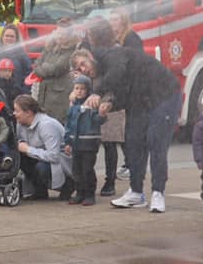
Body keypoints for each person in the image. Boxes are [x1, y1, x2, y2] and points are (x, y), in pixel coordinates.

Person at [71, 46, 181, 213]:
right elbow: (123, 91)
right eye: (79, 69)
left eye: (83, 64)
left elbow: (117, 72)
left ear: (90, 56)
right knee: (134, 142)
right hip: (140, 102)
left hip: (164, 96)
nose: (83, 70)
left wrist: (98, 93)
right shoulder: (102, 75)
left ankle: (158, 192)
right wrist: (110, 105)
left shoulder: (112, 55)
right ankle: (136, 192)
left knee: (156, 142)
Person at [103, 9, 141, 192]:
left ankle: (133, 170)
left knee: (125, 135)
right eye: (110, 19)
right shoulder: (111, 41)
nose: (112, 22)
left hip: (128, 94)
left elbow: (134, 65)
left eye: (115, 18)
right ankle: (115, 176)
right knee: (113, 136)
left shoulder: (131, 38)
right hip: (115, 93)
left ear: (123, 20)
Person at [14, 95, 73, 200]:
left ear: (28, 112)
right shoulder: (20, 124)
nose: (14, 114)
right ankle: (40, 191)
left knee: (41, 167)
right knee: (18, 158)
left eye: (17, 111)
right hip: (42, 157)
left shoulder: (47, 125)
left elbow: (54, 156)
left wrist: (28, 149)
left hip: (64, 162)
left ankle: (68, 185)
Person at [63, 75, 105, 206]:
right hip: (76, 144)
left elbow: (98, 120)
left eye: (82, 89)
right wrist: (67, 142)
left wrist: (102, 115)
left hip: (89, 144)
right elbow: (68, 125)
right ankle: (79, 193)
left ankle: (89, 194)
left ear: (88, 91)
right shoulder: (73, 107)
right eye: (76, 88)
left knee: (87, 169)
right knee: (76, 170)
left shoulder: (92, 105)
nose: (79, 91)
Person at [30, 18, 79, 123]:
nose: (60, 36)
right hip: (44, 97)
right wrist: (42, 67)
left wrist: (42, 67)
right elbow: (36, 64)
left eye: (64, 34)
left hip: (59, 100)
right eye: (58, 33)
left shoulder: (71, 50)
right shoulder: (50, 47)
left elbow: (56, 68)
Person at [0, 24, 33, 93]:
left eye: (12, 36)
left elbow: (29, 74)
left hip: (17, 94)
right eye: (7, 36)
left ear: (16, 39)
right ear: (2, 37)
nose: (9, 38)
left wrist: (23, 91)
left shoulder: (22, 55)